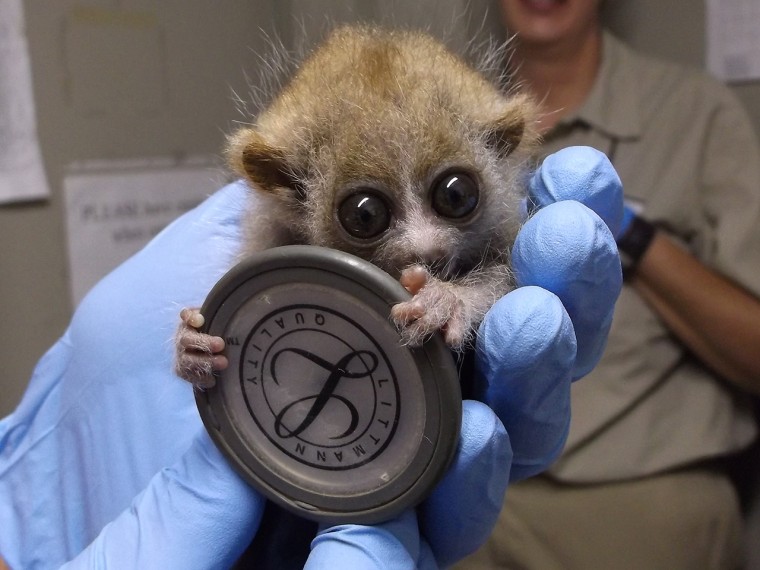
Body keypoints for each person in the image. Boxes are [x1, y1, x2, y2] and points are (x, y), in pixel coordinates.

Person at [0, 142, 622, 568]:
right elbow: (230, 339)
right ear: (290, 192)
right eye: (367, 213)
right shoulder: (272, 232)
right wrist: (194, 345)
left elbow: (497, 281)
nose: (424, 243)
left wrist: (463, 296)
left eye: (452, 195)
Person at [456, 1, 760, 569]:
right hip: (478, 504)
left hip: (646, 505)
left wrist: (629, 232)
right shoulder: (439, 114)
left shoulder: (693, 114)